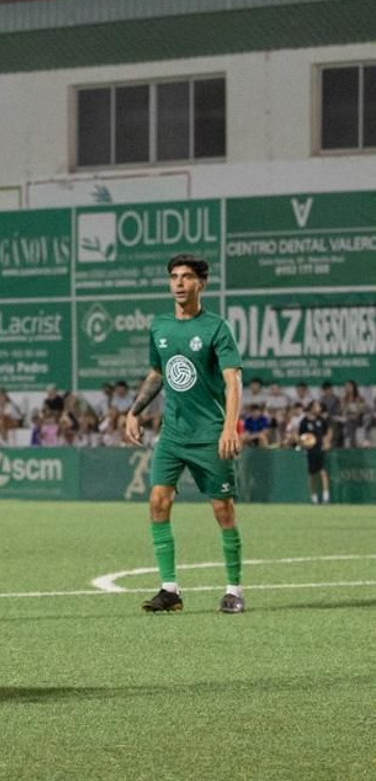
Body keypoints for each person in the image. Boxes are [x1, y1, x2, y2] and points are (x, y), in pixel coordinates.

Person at [123, 253, 245, 615]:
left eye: (187, 277)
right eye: (174, 276)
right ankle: (169, 589)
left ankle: (234, 590)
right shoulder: (160, 326)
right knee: (158, 501)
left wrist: (229, 427)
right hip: (173, 435)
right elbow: (157, 373)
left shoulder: (216, 327)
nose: (178, 283)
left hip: (209, 433)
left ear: (201, 284)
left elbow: (233, 381)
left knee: (222, 509)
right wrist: (134, 411)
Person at [299, 400, 332, 504]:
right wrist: (304, 443)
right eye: (317, 406)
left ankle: (326, 497)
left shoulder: (321, 420)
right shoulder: (304, 421)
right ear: (312, 408)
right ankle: (314, 497)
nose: (319, 408)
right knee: (312, 475)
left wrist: (327, 442)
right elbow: (300, 436)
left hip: (320, 449)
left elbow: (328, 431)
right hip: (310, 451)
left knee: (323, 472)